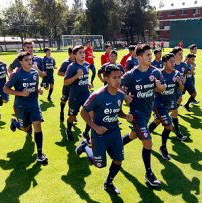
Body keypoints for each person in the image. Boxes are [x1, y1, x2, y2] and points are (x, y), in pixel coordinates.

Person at [76, 64, 133, 195]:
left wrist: (125, 116)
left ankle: (109, 183)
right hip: (99, 135)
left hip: (114, 132)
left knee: (118, 159)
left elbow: (117, 110)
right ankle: (85, 146)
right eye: (114, 78)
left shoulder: (120, 94)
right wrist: (95, 127)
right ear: (106, 78)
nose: (118, 81)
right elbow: (83, 112)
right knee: (99, 164)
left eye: (119, 77)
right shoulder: (97, 95)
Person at [121, 44, 166, 187]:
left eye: (151, 54)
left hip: (147, 113)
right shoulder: (131, 74)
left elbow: (163, 87)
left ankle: (116, 146)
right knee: (148, 142)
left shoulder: (156, 72)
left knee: (133, 135)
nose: (151, 57)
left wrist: (160, 87)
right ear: (139, 57)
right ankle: (149, 174)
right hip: (136, 114)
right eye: (148, 55)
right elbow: (115, 85)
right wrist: (125, 96)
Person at [3, 52, 48, 163]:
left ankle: (40, 154)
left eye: (30, 59)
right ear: (21, 62)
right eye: (26, 60)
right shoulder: (16, 74)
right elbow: (6, 89)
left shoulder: (34, 72)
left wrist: (38, 89)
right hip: (21, 106)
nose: (29, 62)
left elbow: (36, 84)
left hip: (33, 104)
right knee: (25, 129)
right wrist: (20, 93)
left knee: (37, 125)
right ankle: (15, 123)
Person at [148, 53, 184, 160]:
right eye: (171, 62)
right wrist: (158, 87)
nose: (173, 63)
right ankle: (163, 148)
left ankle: (144, 135)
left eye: (174, 61)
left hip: (169, 103)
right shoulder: (158, 74)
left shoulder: (176, 73)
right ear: (165, 63)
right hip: (159, 104)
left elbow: (181, 89)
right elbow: (152, 89)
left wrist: (179, 82)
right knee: (169, 126)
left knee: (157, 121)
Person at [64, 45, 92, 142]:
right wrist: (76, 75)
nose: (83, 54)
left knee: (91, 115)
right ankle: (68, 130)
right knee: (72, 116)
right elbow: (66, 82)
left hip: (86, 95)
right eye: (80, 53)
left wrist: (88, 83)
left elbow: (84, 78)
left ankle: (86, 133)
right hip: (75, 97)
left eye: (83, 52)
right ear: (74, 55)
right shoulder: (71, 67)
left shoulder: (87, 65)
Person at [170, 46, 188, 141]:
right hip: (170, 92)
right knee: (175, 112)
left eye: (182, 54)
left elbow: (185, 75)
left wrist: (184, 79)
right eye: (179, 54)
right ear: (174, 55)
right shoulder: (170, 65)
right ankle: (178, 132)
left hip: (178, 90)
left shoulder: (184, 65)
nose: (181, 56)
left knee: (179, 100)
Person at [57, 47, 75, 122]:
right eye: (72, 54)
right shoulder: (66, 63)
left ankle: (71, 114)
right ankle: (61, 111)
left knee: (72, 101)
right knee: (64, 100)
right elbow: (59, 72)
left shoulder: (78, 62)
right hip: (67, 86)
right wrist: (68, 74)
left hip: (75, 87)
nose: (74, 55)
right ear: (69, 54)